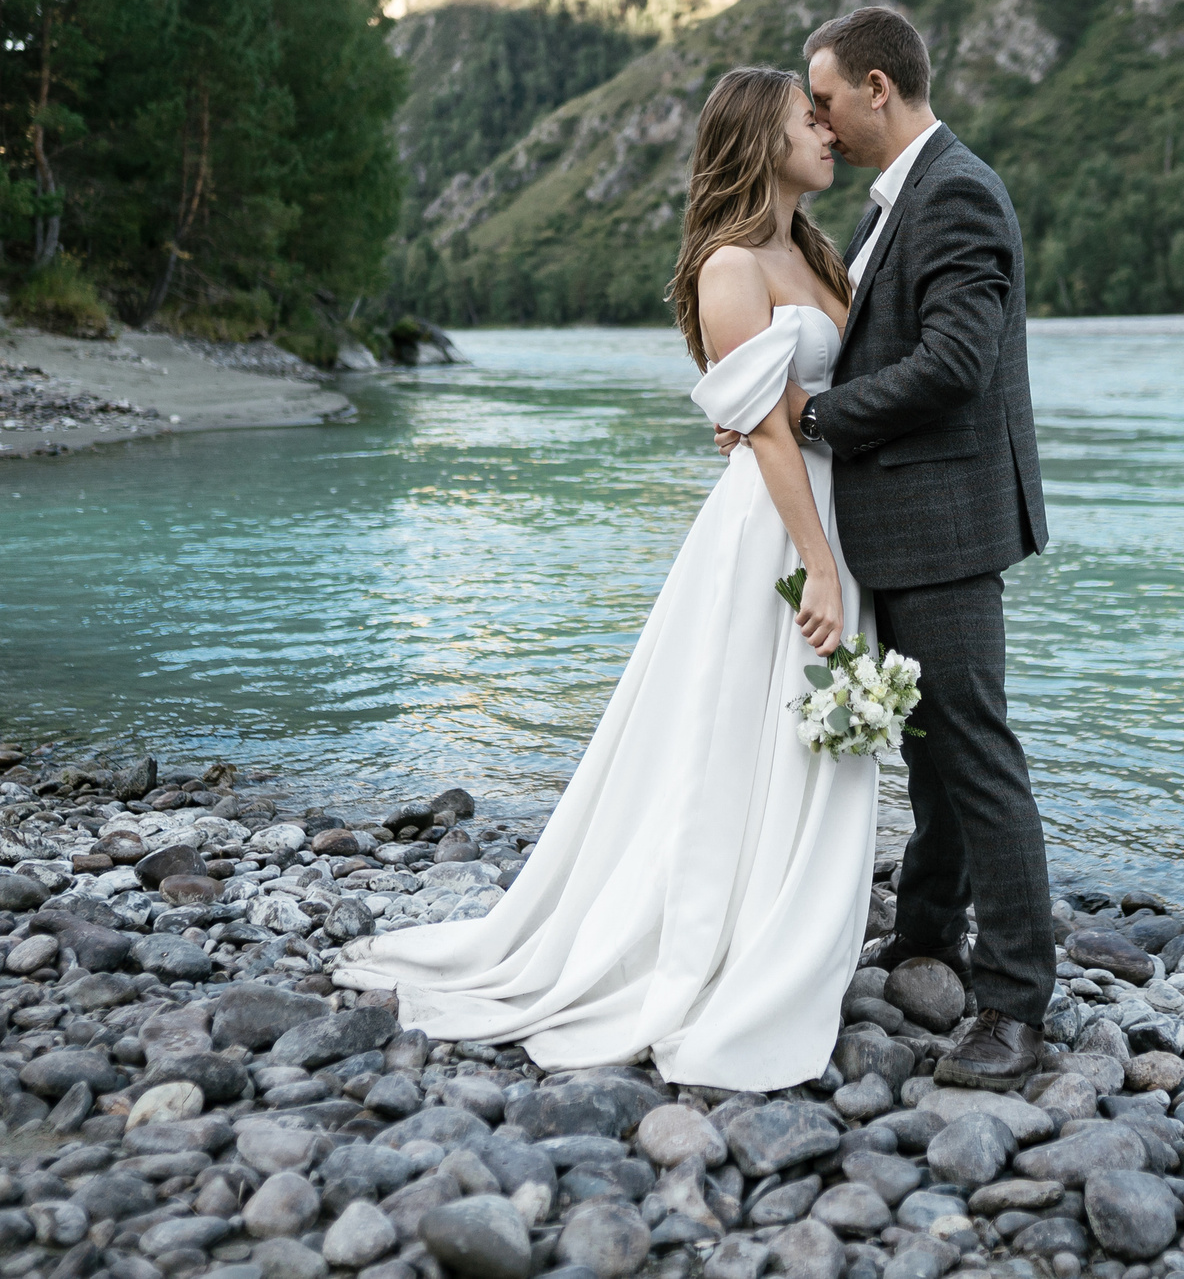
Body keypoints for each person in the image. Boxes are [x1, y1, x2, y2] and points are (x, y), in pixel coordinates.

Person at [334, 66, 877, 1090]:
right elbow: (764, 430)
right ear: (761, 139)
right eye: (806, 119)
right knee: (747, 722)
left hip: (831, 512)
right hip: (775, 528)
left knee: (808, 723)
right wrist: (817, 563)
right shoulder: (728, 266)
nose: (826, 133)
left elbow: (827, 393)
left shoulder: (817, 254)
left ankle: (789, 919)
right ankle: (721, 932)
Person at [719, 5, 1054, 1091]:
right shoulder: (886, 206)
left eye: (822, 99)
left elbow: (956, 363)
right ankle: (925, 935)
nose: (816, 120)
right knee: (934, 752)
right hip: (900, 520)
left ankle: (1015, 1003)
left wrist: (812, 416)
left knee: (975, 752)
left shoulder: (955, 192)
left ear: (876, 87)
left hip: (944, 520)